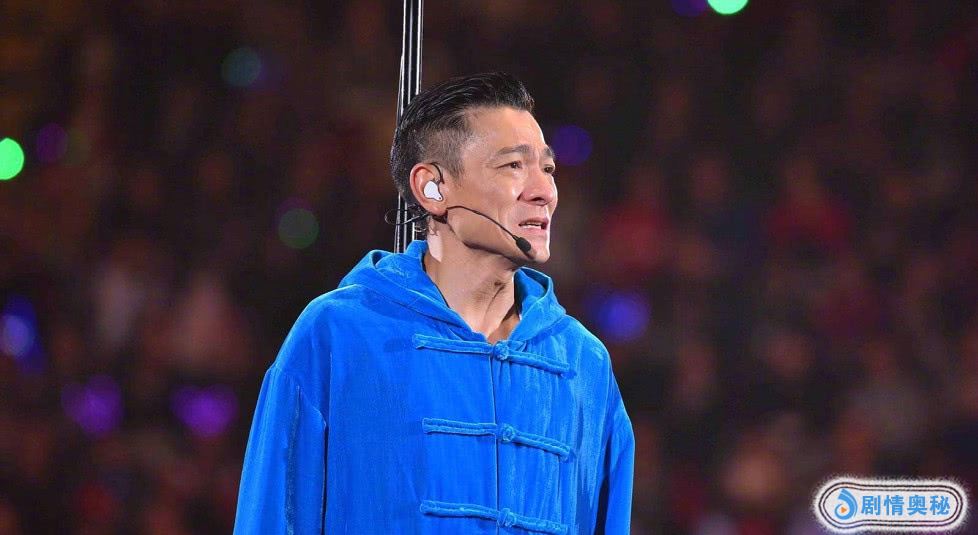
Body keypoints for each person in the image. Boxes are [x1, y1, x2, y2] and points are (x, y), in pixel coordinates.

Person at [233, 72, 635, 534]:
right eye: (513, 166)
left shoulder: (583, 363)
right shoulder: (338, 335)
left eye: (547, 169)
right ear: (432, 188)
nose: (544, 191)